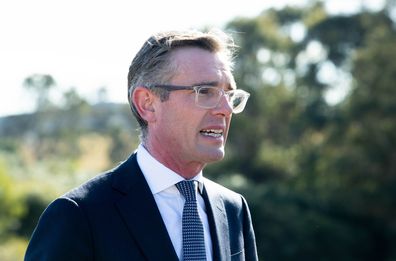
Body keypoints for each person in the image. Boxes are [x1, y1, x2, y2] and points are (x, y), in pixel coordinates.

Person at [25, 29, 258, 261]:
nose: (226, 109)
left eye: (229, 95)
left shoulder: (233, 209)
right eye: (205, 92)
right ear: (147, 104)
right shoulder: (77, 215)